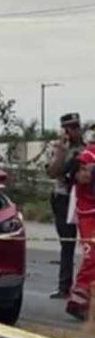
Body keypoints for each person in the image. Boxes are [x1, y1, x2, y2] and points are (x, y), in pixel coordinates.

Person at [46, 113, 86, 299]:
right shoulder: (58, 149)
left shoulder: (86, 149)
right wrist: (62, 151)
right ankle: (64, 286)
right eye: (70, 128)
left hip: (82, 198)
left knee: (88, 243)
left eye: (76, 127)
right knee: (67, 243)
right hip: (63, 198)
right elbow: (53, 172)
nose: (74, 131)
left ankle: (84, 285)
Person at [65, 124, 95, 320]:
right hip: (87, 214)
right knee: (92, 255)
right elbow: (80, 169)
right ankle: (78, 295)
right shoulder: (87, 155)